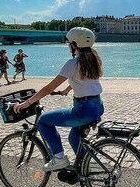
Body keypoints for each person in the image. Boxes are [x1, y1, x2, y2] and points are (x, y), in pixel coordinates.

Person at [14, 27, 104, 171]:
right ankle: (88, 166)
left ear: (74, 44)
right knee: (74, 139)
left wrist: (27, 103)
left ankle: (59, 159)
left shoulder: (72, 63)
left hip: (83, 110)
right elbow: (87, 81)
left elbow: (48, 88)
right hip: (98, 106)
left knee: (43, 120)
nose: (68, 45)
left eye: (69, 43)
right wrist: (68, 89)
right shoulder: (94, 60)